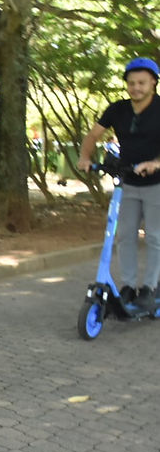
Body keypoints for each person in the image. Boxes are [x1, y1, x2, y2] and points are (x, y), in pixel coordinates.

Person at [77, 57, 160, 309]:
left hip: (156, 183)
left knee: (155, 237)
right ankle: (128, 286)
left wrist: (156, 162)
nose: (136, 87)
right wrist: (84, 157)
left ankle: (149, 287)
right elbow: (93, 134)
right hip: (127, 182)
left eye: (142, 83)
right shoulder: (118, 109)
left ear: (154, 83)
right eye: (132, 83)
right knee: (124, 236)